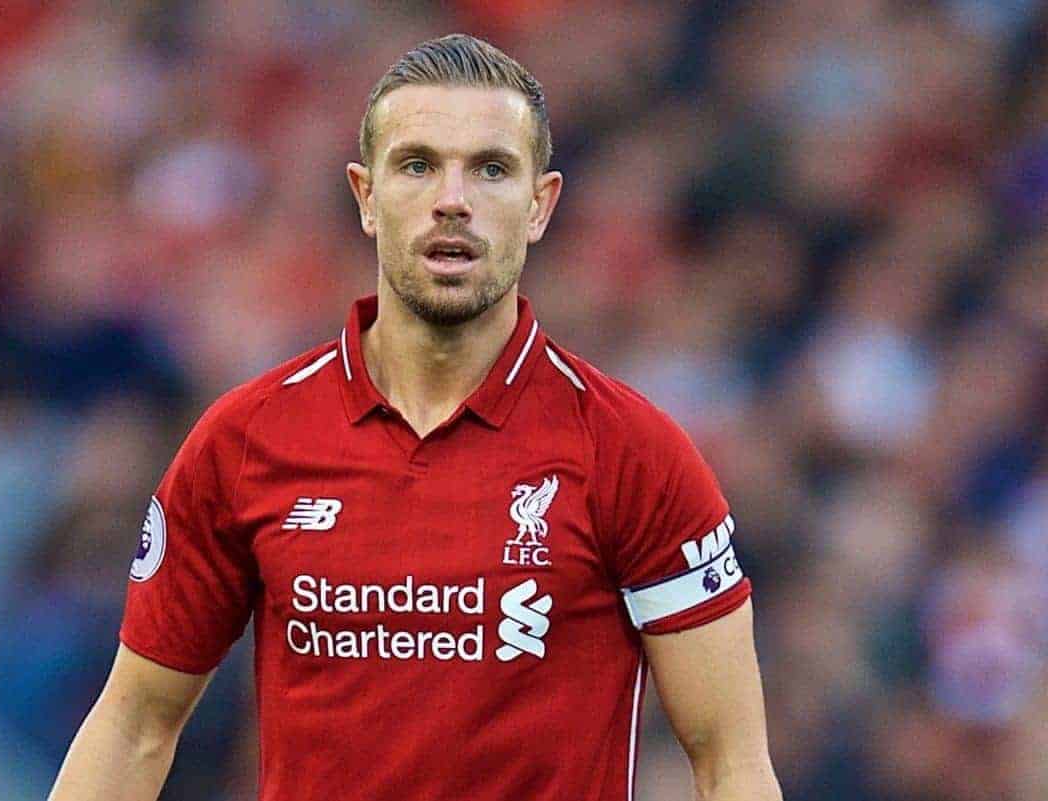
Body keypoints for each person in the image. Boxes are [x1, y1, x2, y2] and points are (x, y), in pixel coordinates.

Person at [48, 33, 782, 801]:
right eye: (418, 164)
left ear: (541, 204)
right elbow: (134, 723)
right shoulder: (246, 441)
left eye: (491, 169)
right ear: (367, 197)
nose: (452, 199)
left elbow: (730, 760)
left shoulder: (633, 453)